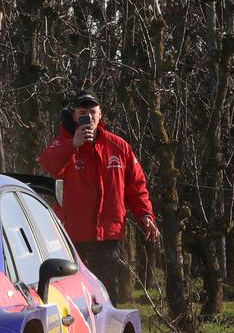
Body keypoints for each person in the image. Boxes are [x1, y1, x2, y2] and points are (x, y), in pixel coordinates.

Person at [39, 91, 160, 304]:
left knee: (106, 294)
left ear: (100, 114)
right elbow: (49, 164)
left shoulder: (119, 146)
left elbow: (136, 186)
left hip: (108, 235)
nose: (89, 117)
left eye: (93, 112)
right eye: (82, 112)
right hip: (71, 236)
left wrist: (145, 215)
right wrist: (72, 145)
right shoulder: (63, 143)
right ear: (74, 115)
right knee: (74, 295)